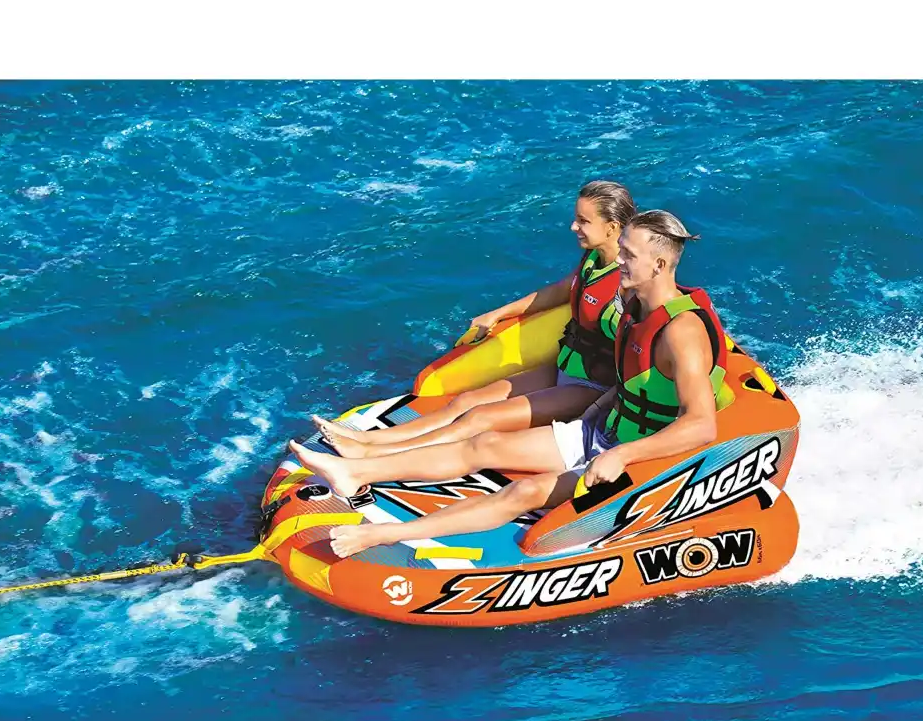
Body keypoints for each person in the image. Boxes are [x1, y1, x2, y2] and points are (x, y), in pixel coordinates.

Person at [288, 209, 728, 558]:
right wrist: (600, 412)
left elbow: (701, 425)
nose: (619, 261)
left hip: (646, 459)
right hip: (607, 432)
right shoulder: (635, 305)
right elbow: (637, 379)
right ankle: (357, 471)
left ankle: (380, 535)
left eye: (628, 255)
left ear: (660, 264)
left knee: (525, 491)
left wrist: (623, 454)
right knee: (485, 444)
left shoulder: (682, 331)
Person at [313, 180, 636, 459]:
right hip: (565, 368)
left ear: (611, 227)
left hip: (590, 388)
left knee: (479, 418)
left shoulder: (628, 285)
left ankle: (372, 454)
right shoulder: (594, 258)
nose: (573, 227)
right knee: (466, 401)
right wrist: (498, 313)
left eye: (583, 221)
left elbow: (639, 354)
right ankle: (369, 439)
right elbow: (564, 289)